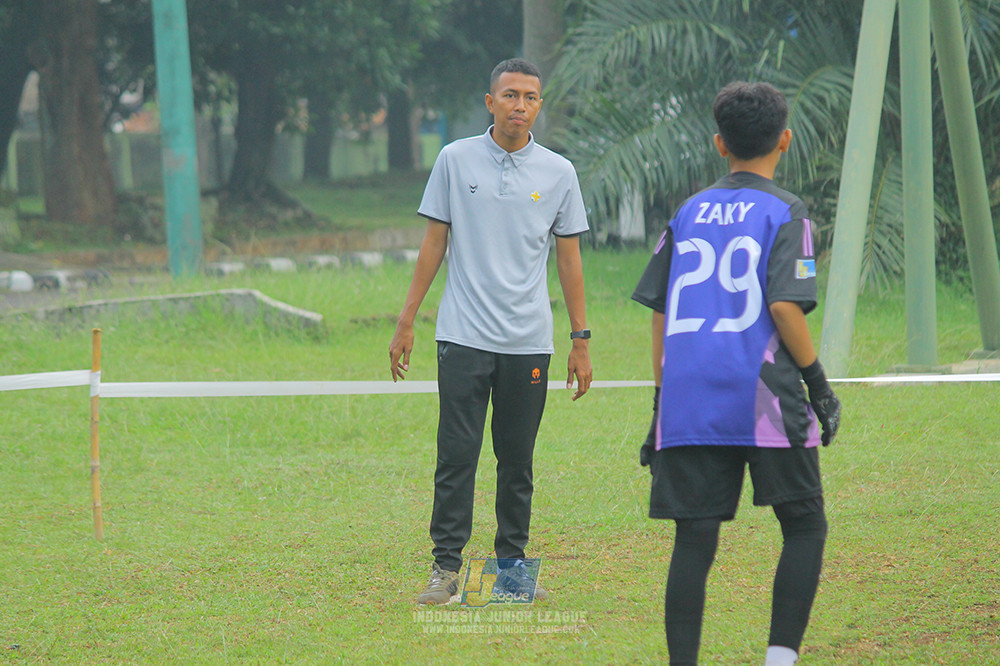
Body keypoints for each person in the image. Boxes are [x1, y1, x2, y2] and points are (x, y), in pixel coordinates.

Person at [631, 81, 842, 665]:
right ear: (785, 140)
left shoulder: (687, 211)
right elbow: (784, 306)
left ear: (720, 143)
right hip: (764, 395)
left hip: (691, 398)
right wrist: (819, 386)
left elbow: (660, 311)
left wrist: (661, 402)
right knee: (804, 524)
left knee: (694, 537)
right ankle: (779, 658)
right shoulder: (787, 211)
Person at [389, 58, 593, 606]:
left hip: (528, 341)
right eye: (509, 95)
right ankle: (445, 569)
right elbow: (434, 243)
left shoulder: (559, 172)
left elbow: (569, 260)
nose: (519, 105)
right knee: (456, 455)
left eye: (530, 97)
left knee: (517, 460)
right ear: (490, 102)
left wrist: (580, 339)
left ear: (539, 106)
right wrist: (407, 319)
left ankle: (512, 571)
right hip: (462, 335)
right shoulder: (455, 160)